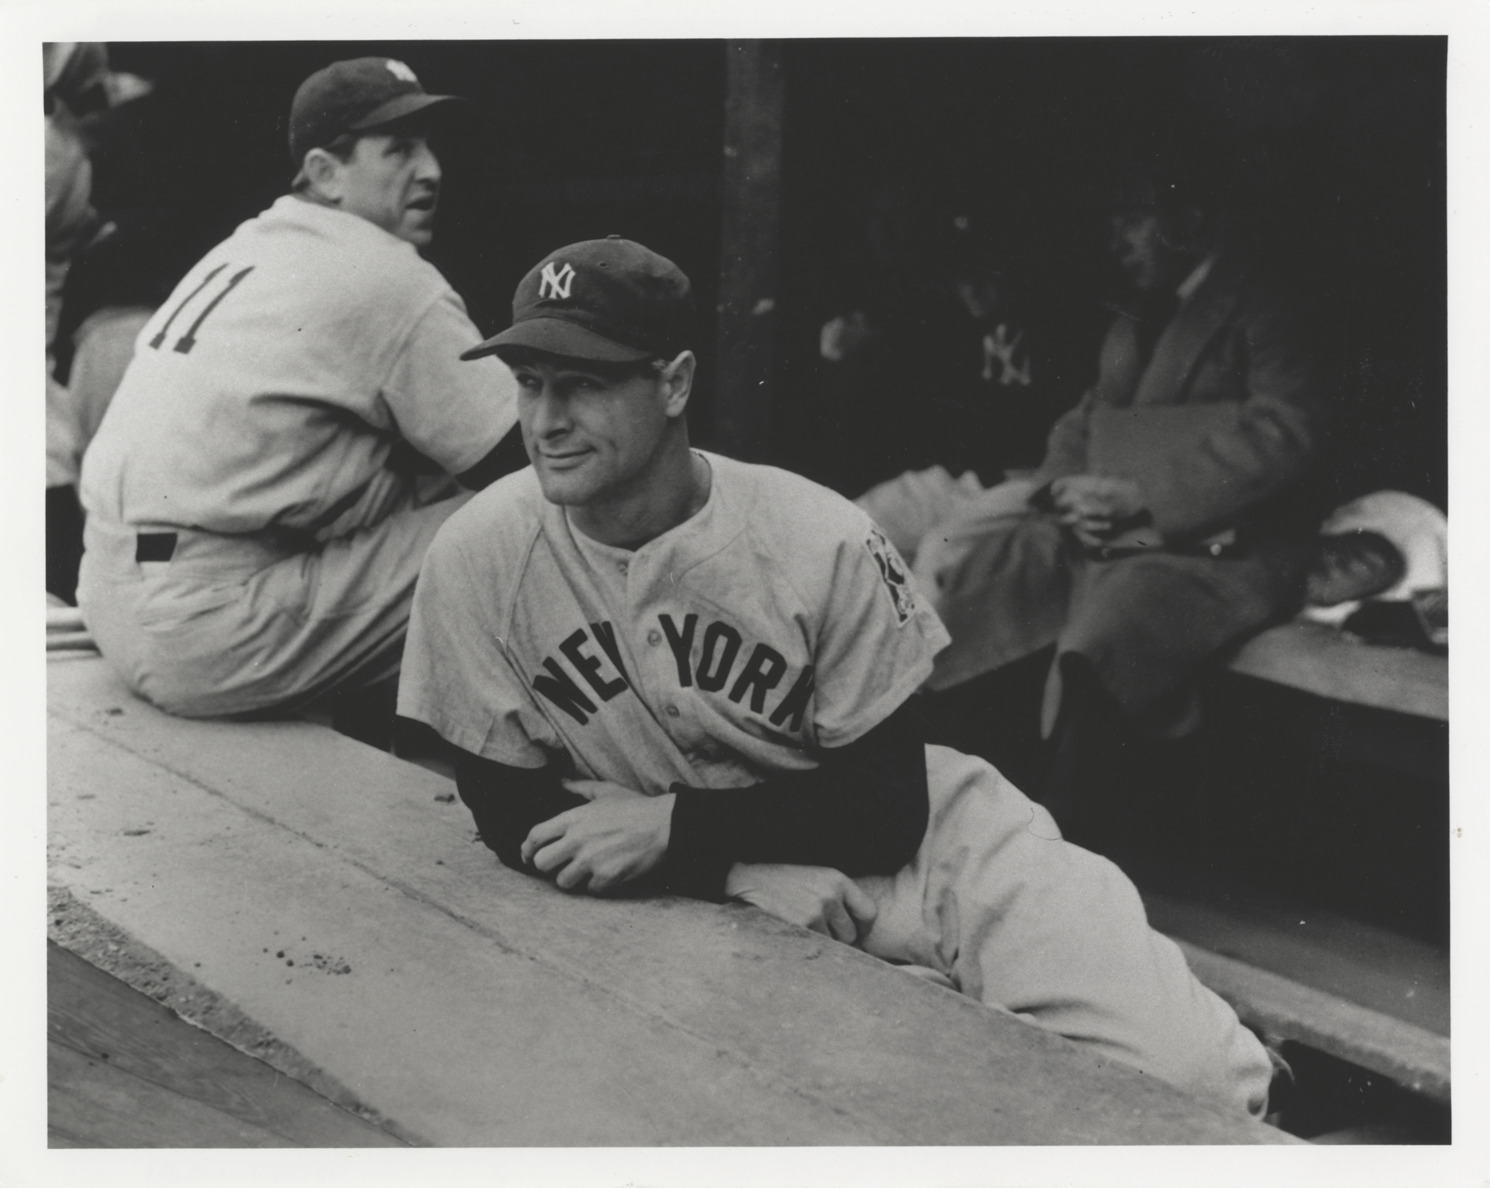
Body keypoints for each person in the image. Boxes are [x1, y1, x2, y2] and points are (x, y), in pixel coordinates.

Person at [397, 236, 1277, 1117]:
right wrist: (732, 875)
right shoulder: (480, 552)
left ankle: (1261, 1075)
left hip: (926, 847)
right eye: (529, 383)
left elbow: (888, 805)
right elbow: (504, 803)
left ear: (674, 383)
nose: (546, 421)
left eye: (583, 384)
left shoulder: (819, 536)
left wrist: (684, 833)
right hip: (720, 878)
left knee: (1195, 1082)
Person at [76, 58, 520, 723]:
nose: (431, 169)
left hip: (110, 590)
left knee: (418, 488)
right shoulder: (384, 272)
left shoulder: (248, 245)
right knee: (527, 518)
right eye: (400, 149)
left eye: (429, 147)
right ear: (325, 173)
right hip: (210, 628)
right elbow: (524, 462)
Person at [925, 160, 1328, 837]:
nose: (1117, 242)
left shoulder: (1263, 307)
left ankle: (1062, 846)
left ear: (1187, 222)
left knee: (1109, 632)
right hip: (1116, 532)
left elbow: (1289, 429)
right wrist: (1062, 488)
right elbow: (1085, 418)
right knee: (990, 577)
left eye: (1133, 222)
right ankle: (956, 823)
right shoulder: (1138, 314)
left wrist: (1144, 496)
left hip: (1227, 543)